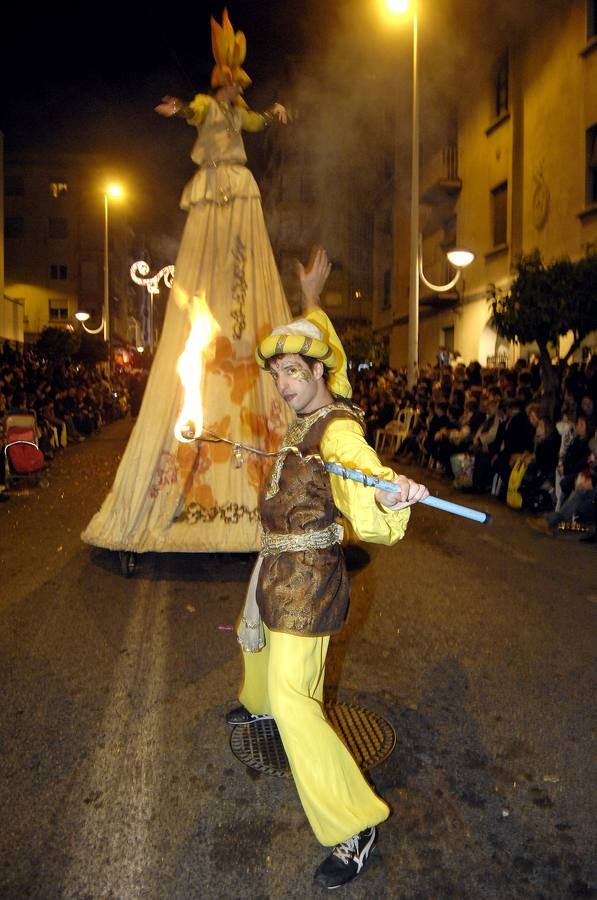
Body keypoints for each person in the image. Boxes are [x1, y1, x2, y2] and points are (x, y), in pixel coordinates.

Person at [226, 249, 429, 891]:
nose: (283, 383)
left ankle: (352, 825)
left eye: (294, 371)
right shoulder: (303, 418)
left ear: (319, 372)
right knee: (250, 635)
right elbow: (322, 341)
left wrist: (387, 492)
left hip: (310, 581)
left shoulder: (336, 429)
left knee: (295, 696)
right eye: (278, 372)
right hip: (276, 565)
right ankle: (256, 706)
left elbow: (361, 473)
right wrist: (310, 296)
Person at [82, 10, 292, 554]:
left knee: (243, 285)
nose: (230, 93)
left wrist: (272, 113)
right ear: (218, 82)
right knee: (213, 275)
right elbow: (191, 109)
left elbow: (257, 124)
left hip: (239, 198)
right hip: (212, 195)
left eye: (235, 88)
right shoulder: (207, 108)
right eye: (227, 85)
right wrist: (178, 107)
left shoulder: (240, 115)